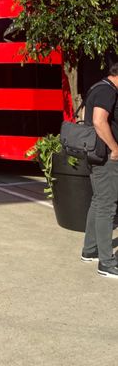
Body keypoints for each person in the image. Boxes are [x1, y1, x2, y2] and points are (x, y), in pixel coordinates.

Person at [82, 63, 118, 278]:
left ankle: (90, 249)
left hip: (96, 153)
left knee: (98, 201)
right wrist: (115, 148)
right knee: (107, 205)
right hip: (106, 157)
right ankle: (106, 262)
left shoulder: (98, 86)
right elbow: (98, 120)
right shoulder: (107, 91)